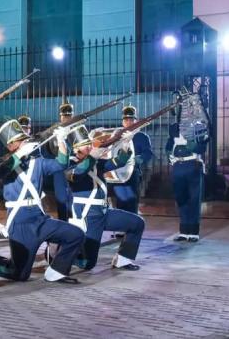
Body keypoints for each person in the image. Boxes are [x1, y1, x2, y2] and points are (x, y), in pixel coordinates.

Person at [0, 119, 84, 284]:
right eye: (20, 140)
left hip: (40, 219)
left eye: (25, 138)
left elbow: (61, 163)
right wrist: (19, 154)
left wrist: (60, 140)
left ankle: (56, 271)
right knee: (20, 274)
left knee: (75, 234)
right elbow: (0, 172)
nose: (25, 141)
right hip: (20, 224)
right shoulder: (3, 162)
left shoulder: (37, 161)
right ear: (10, 146)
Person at [67, 124, 144, 271]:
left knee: (137, 223)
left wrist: (126, 142)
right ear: (76, 150)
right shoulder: (69, 164)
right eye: (85, 146)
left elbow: (120, 161)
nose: (90, 148)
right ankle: (61, 251)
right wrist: (93, 156)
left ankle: (122, 260)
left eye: (89, 145)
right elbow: (77, 174)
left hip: (104, 212)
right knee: (88, 264)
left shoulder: (96, 162)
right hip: (88, 218)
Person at [167, 101, 208, 242]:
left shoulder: (199, 127)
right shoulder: (173, 127)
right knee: (181, 199)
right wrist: (170, 156)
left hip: (192, 164)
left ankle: (193, 232)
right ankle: (184, 231)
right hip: (178, 166)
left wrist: (189, 144)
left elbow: (202, 148)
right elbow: (168, 144)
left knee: (194, 200)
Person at [110, 106, 153, 219]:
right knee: (120, 200)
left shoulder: (141, 137)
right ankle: (121, 226)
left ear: (136, 121)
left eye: (131, 120)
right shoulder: (117, 136)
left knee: (132, 200)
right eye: (126, 120)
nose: (128, 122)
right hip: (118, 173)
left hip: (133, 172)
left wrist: (138, 159)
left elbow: (148, 153)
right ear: (122, 121)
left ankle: (132, 226)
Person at [43, 102, 75, 221]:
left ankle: (76, 222)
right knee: (61, 197)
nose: (66, 118)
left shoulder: (78, 129)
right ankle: (63, 222)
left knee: (74, 197)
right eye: (64, 116)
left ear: (72, 115)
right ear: (60, 116)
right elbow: (46, 150)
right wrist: (53, 163)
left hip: (74, 168)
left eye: (68, 116)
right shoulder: (53, 131)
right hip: (59, 170)